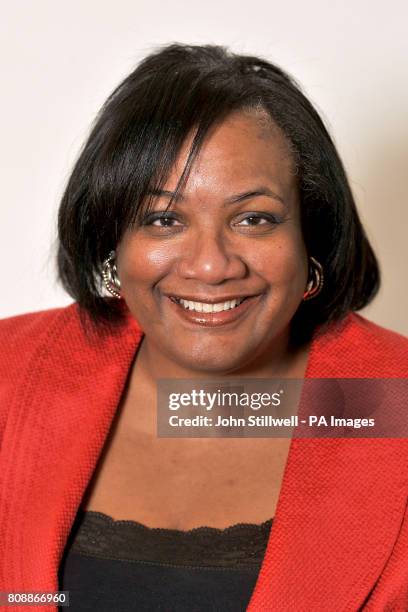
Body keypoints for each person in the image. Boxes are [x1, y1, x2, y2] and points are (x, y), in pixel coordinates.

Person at [0, 43, 407, 612]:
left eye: (254, 219)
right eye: (164, 219)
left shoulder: (387, 403)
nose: (212, 266)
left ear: (311, 236)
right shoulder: (10, 373)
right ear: (112, 239)